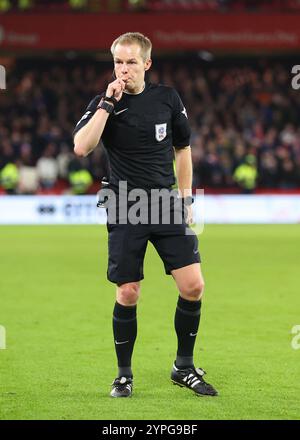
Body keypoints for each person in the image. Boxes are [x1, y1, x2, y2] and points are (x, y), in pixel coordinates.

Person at [73, 32, 217, 398]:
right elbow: (81, 147)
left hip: (166, 204)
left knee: (194, 286)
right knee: (128, 292)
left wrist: (185, 199)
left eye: (131, 62)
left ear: (146, 64)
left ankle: (183, 367)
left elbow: (183, 149)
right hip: (125, 204)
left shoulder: (167, 99)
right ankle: (124, 375)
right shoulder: (104, 102)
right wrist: (107, 103)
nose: (124, 69)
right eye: (118, 62)